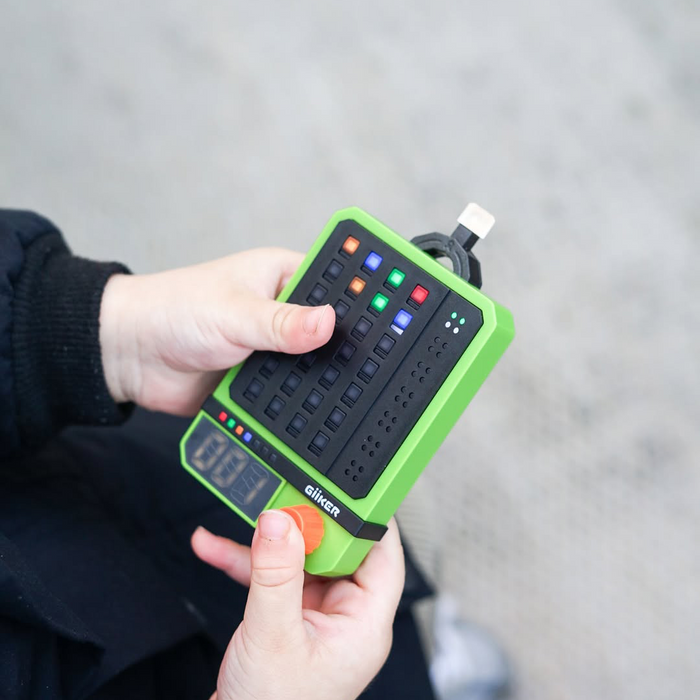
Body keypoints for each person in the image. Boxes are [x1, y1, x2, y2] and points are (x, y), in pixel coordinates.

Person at [0, 209, 435, 699]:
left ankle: (425, 655)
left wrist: (106, 333)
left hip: (76, 470)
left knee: (352, 578)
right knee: (359, 613)